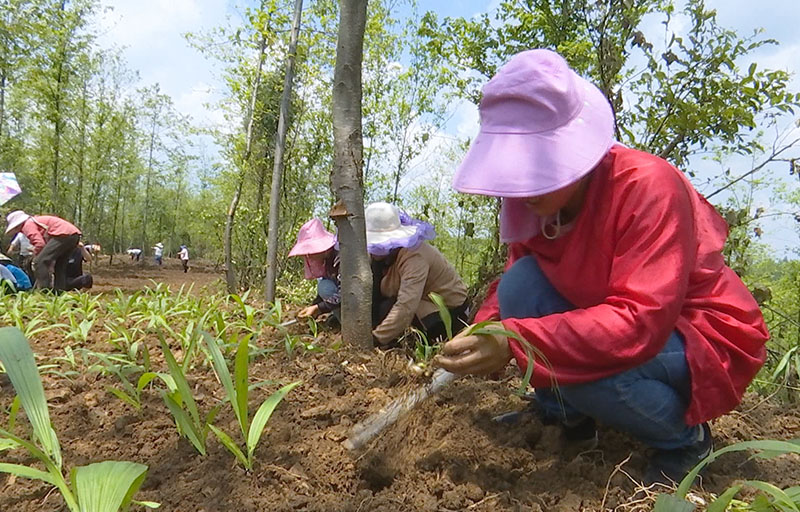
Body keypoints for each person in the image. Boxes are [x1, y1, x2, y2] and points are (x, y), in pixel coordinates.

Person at [434, 49, 769, 484]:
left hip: (695, 332)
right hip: (616, 323)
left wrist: (515, 341)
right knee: (521, 287)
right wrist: (485, 330)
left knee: (578, 371)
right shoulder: (538, 207)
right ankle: (567, 419)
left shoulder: (647, 186)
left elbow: (639, 322)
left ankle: (685, 441)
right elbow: (518, 280)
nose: (521, 184)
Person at [366, 202, 469, 348]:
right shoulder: (379, 258)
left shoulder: (414, 257)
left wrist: (376, 339)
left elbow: (406, 305)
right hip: (418, 302)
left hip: (448, 313)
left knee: (388, 310)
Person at [5, 211, 82, 291]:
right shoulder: (34, 221)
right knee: (60, 265)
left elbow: (40, 244)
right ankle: (59, 291)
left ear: (18, 225)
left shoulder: (27, 225)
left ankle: (44, 291)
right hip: (73, 236)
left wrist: (36, 254)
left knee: (39, 262)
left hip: (62, 234)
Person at [289, 218, 341, 322]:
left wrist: (319, 308)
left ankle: (344, 321)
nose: (309, 256)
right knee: (323, 283)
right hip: (341, 297)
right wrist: (313, 307)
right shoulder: (326, 261)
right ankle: (337, 315)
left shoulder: (340, 260)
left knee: (325, 287)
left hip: (353, 300)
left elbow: (344, 294)